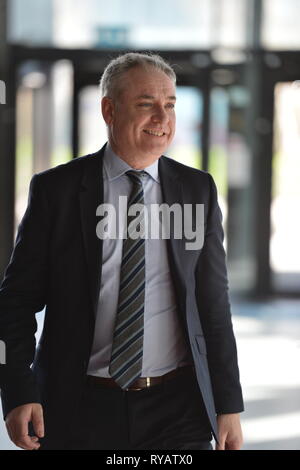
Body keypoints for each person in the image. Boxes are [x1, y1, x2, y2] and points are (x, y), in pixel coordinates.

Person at [0, 52, 244, 450]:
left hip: (178, 408)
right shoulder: (56, 192)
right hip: (78, 405)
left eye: (170, 105)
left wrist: (228, 402)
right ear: (109, 110)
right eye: (146, 104)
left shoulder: (197, 190)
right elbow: (14, 302)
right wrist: (17, 391)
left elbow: (213, 303)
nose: (162, 119)